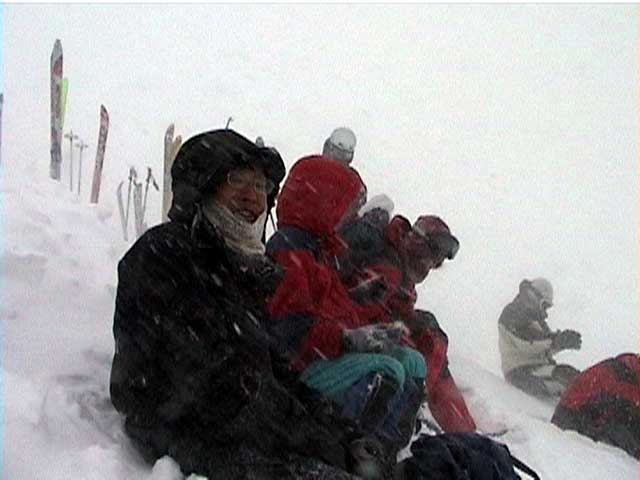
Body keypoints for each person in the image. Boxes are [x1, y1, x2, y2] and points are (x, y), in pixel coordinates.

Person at [109, 129, 360, 479]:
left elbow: (273, 368)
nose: (252, 196)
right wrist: (310, 439)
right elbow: (203, 380)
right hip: (184, 435)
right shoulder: (166, 253)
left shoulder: (244, 267)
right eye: (237, 181)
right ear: (203, 186)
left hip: (242, 429)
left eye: (260, 186)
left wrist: (347, 437)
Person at [266, 155, 426, 466]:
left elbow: (333, 311)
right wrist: (348, 340)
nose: (349, 217)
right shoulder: (291, 251)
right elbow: (290, 333)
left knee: (411, 360)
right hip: (294, 370)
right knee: (386, 370)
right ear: (324, 204)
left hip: (316, 356)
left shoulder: (319, 252)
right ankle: (347, 452)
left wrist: (362, 310)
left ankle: (383, 451)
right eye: (345, 208)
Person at [338, 210, 477, 433]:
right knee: (428, 341)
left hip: (353, 339)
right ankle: (442, 418)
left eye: (436, 263)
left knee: (429, 335)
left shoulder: (398, 264)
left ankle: (461, 427)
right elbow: (353, 315)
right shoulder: (389, 269)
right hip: (345, 347)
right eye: (431, 257)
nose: (430, 267)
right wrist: (402, 333)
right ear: (418, 243)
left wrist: (406, 323)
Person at [498, 277, 582, 398]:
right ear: (533, 297)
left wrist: (561, 343)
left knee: (570, 375)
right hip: (520, 373)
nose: (545, 311)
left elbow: (544, 348)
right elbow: (526, 343)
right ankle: (581, 401)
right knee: (564, 377)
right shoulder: (512, 313)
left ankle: (584, 398)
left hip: (537, 369)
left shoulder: (536, 319)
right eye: (544, 305)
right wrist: (556, 341)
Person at [551, 353, 640, 459]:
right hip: (570, 420)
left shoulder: (628, 369)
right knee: (625, 436)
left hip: (586, 416)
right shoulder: (622, 379)